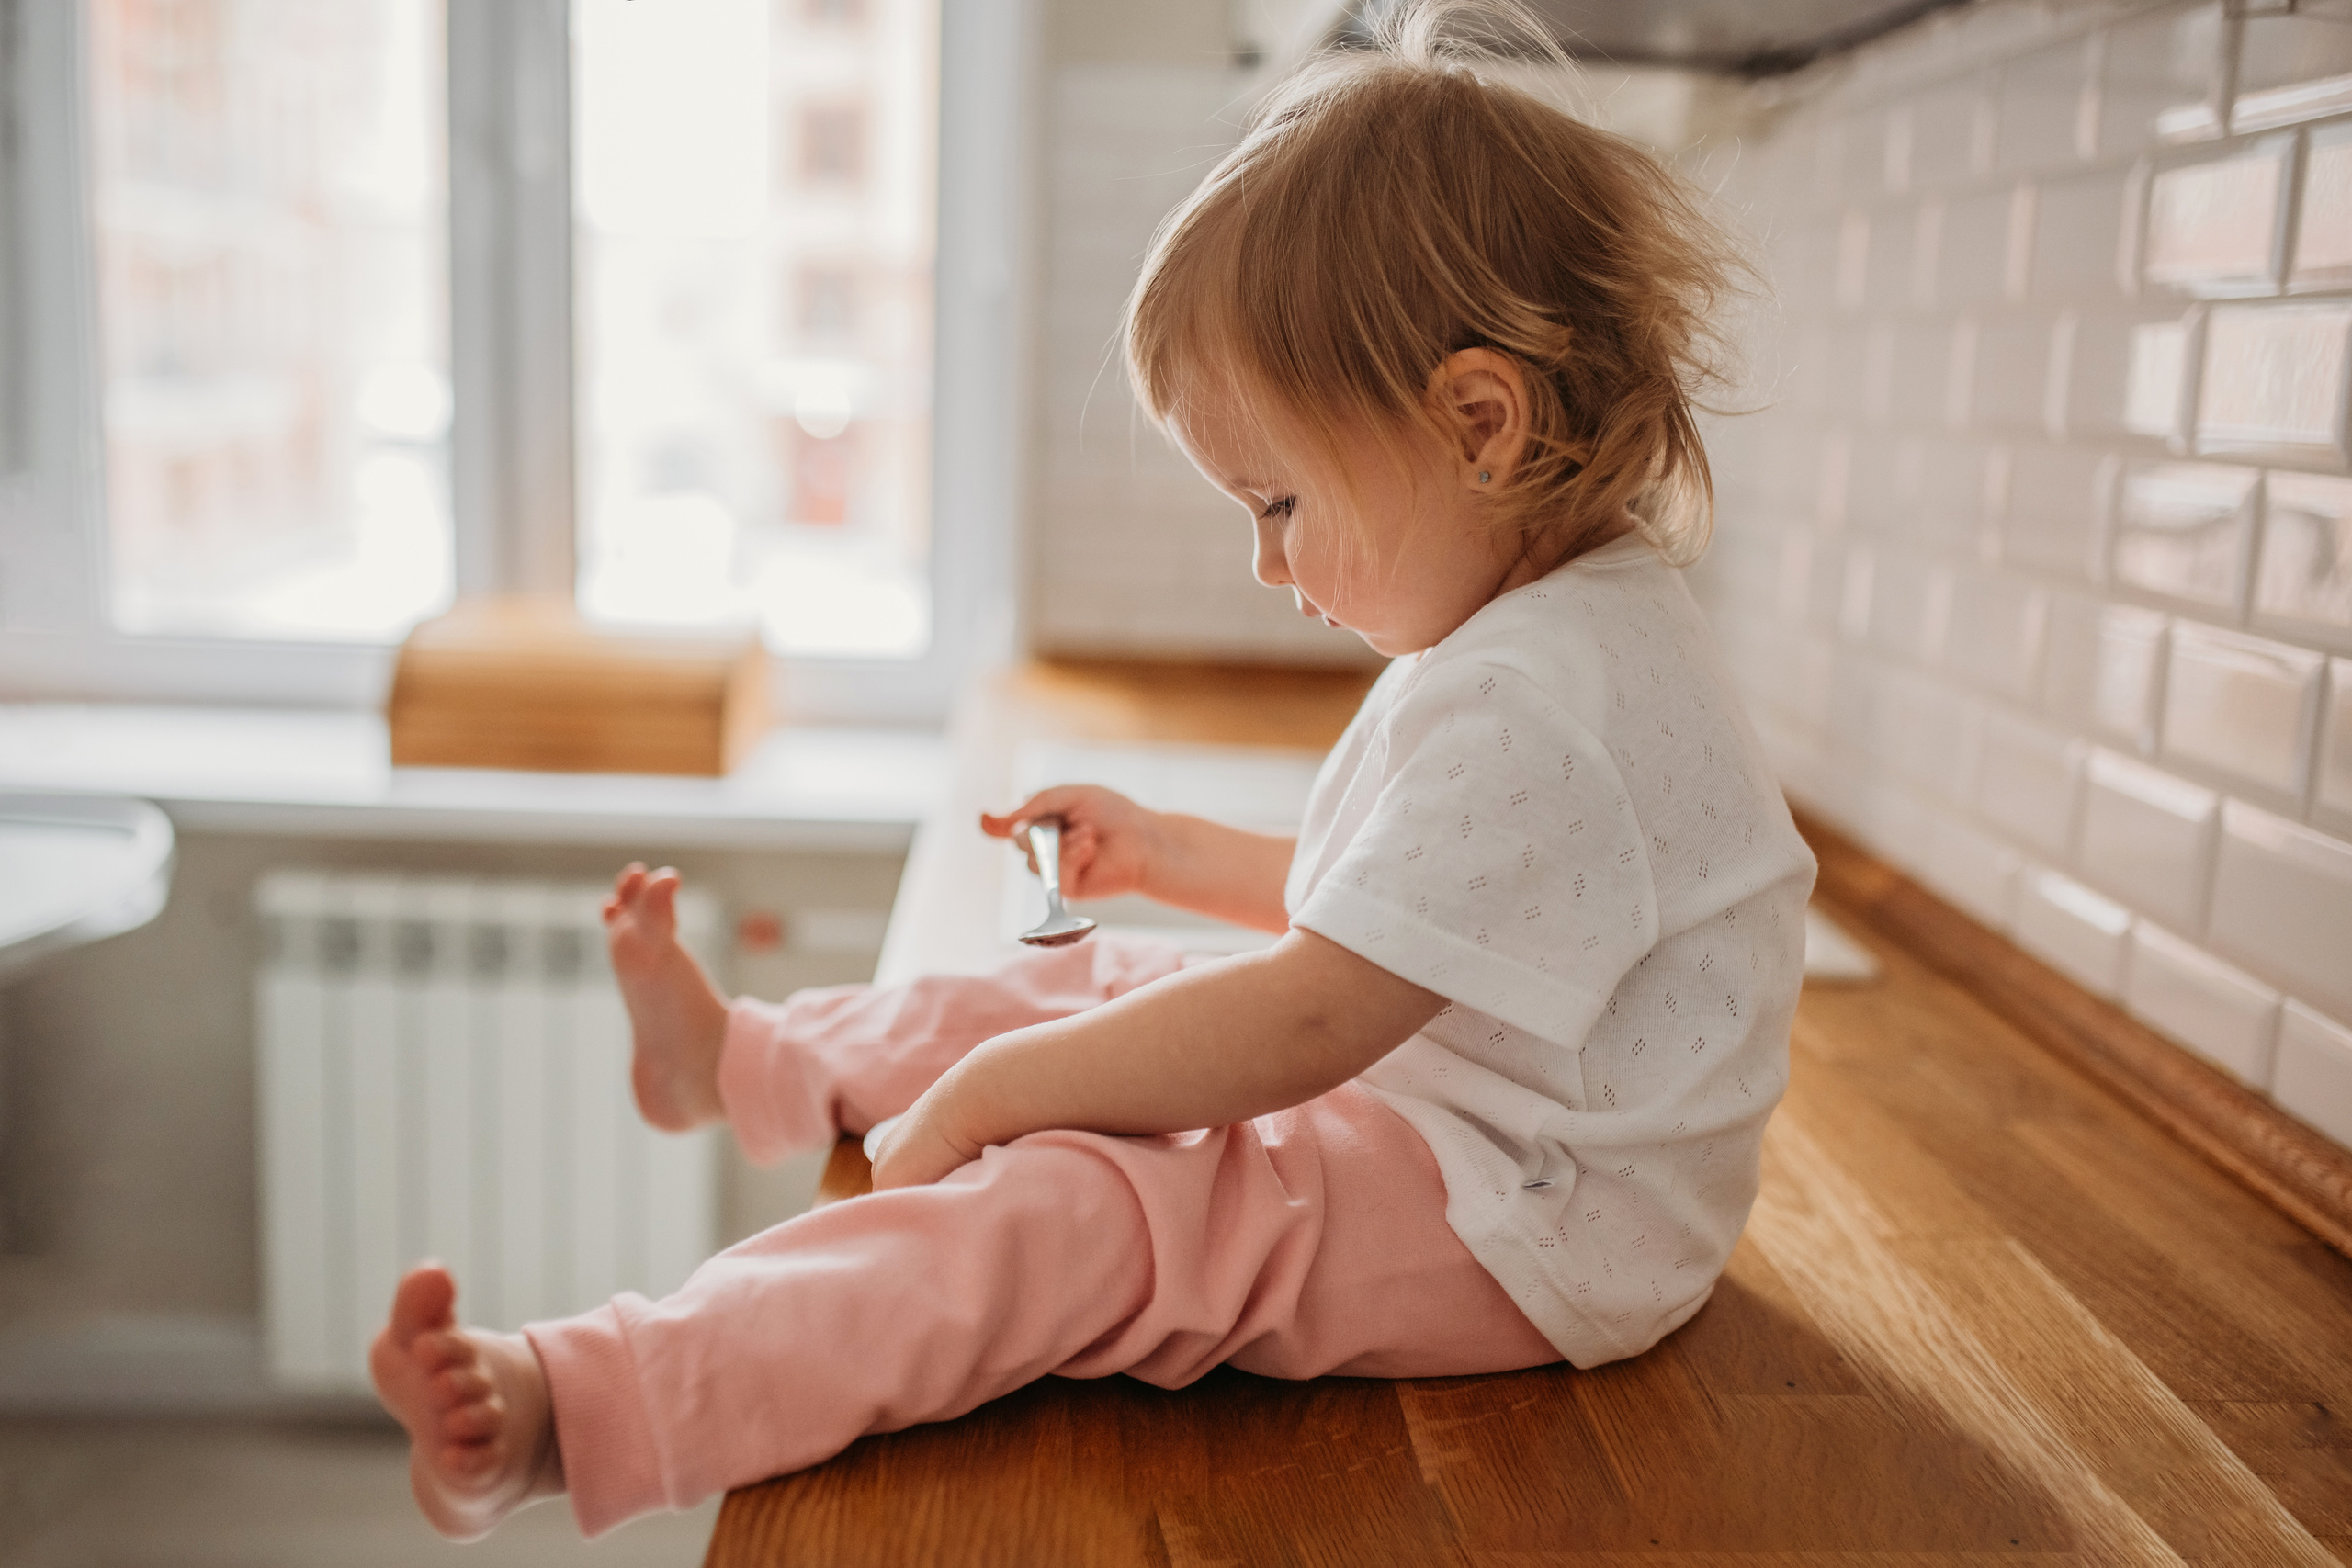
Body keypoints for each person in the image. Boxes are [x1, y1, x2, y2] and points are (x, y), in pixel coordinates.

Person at [368, 0, 1815, 1540]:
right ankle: (748, 1064)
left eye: (1278, 502)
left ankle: (582, 1405)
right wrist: (1174, 855)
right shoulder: (1557, 637)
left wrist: (995, 1097)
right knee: (1100, 979)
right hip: (1473, 1143)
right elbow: (1411, 921)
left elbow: (1312, 1017)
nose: (1267, 564)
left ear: (1478, 422)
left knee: (1071, 1215)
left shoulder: (1545, 696)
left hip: (1523, 1227)